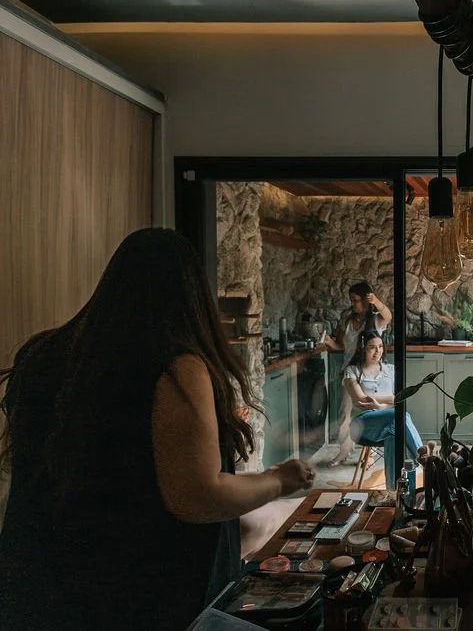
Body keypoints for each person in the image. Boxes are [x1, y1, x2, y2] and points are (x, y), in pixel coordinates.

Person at [0, 229, 315, 630]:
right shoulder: (176, 368)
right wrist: (280, 479)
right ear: (193, 294)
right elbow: (198, 497)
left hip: (33, 581)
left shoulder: (42, 353)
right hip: (135, 595)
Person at [328, 331, 423, 489]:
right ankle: (423, 457)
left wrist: (379, 405)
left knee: (393, 435)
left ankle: (393, 491)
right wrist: (389, 400)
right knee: (402, 415)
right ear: (363, 349)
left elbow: (399, 398)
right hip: (362, 424)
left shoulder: (390, 370)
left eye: (380, 347)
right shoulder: (352, 371)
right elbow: (361, 399)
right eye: (372, 347)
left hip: (388, 421)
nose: (378, 351)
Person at [324, 282, 392, 461]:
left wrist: (376, 301)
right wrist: (329, 343)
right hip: (350, 372)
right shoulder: (347, 321)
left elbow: (388, 316)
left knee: (367, 411)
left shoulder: (375, 320)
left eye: (356, 300)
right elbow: (341, 344)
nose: (353, 304)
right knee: (343, 413)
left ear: (365, 300)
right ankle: (344, 450)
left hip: (369, 372)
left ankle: (367, 454)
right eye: (351, 300)